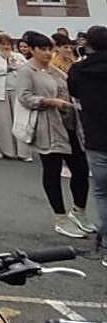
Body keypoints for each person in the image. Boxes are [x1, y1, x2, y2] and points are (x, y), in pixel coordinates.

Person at [17, 31, 93, 238]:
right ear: (31, 49)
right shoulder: (26, 70)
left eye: (49, 49)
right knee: (52, 170)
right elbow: (24, 98)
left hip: (68, 124)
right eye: (42, 49)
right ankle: (60, 217)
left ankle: (79, 211)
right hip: (47, 126)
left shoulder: (54, 70)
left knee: (80, 168)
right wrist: (50, 102)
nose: (47, 53)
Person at [68, 26, 107, 259]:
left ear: (88, 44)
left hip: (95, 136)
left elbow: (75, 96)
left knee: (102, 192)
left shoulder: (78, 69)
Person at [0, 33, 29, 160]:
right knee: (3, 122)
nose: (6, 46)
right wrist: (9, 67)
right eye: (3, 44)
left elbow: (24, 68)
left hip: (17, 91)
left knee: (19, 121)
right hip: (0, 93)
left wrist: (12, 65)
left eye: (8, 44)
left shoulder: (18, 56)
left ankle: (23, 152)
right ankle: (5, 150)